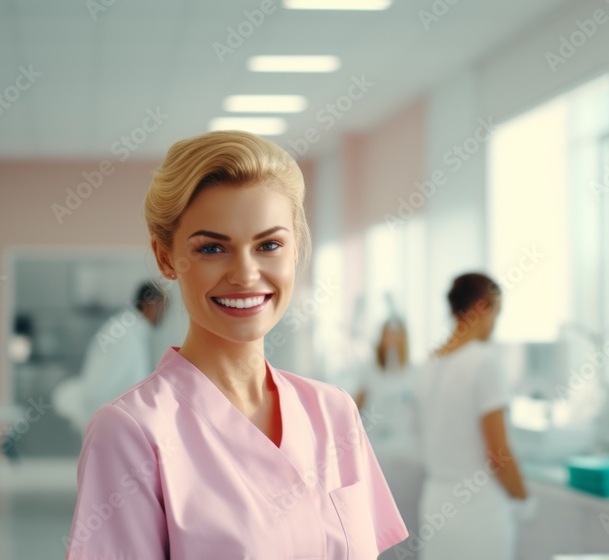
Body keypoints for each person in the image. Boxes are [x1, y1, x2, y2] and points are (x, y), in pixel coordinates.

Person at [65, 130, 407, 559]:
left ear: (295, 250)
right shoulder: (131, 433)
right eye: (212, 248)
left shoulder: (333, 412)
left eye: (269, 245)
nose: (245, 275)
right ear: (166, 258)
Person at [415, 273, 528, 560]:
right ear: (483, 306)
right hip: (478, 513)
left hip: (435, 506)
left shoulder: (430, 364)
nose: (495, 325)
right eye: (497, 313)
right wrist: (523, 496)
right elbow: (498, 453)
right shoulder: (485, 362)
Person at [52, 281, 167, 433]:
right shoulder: (125, 334)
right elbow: (126, 386)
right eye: (163, 306)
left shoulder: (129, 330)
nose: (164, 313)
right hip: (111, 424)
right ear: (150, 303)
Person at [355, 317, 419, 456]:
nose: (392, 341)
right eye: (388, 335)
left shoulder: (414, 373)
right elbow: (354, 408)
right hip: (376, 446)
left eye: (397, 336)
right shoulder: (370, 371)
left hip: (407, 449)